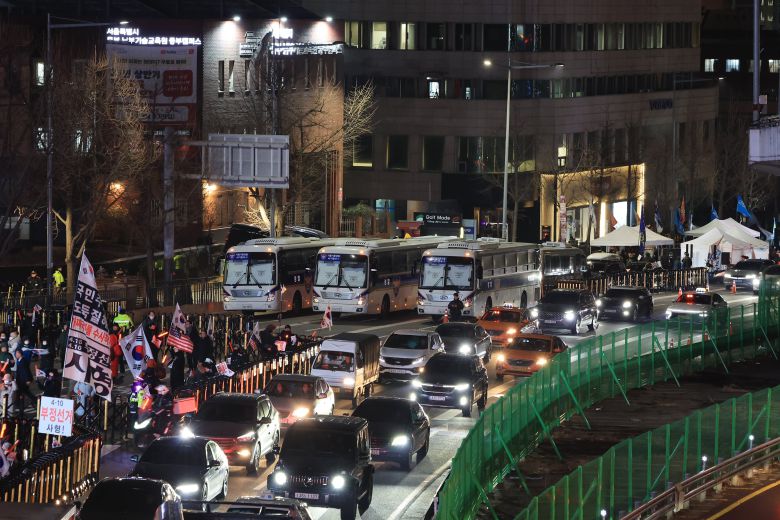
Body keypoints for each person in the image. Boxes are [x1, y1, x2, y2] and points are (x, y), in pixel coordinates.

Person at [13, 349, 35, 414]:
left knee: (24, 392)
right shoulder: (19, 360)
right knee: (21, 392)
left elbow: (26, 371)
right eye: (15, 353)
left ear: (20, 354)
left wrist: (28, 380)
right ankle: (18, 405)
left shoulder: (23, 361)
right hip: (20, 380)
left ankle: (35, 400)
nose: (16, 355)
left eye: (17, 353)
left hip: (23, 380)